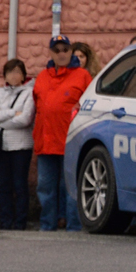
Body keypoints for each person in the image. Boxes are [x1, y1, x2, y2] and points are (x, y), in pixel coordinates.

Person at [33, 34, 93, 232]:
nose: (61, 53)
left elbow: (89, 105)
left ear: (70, 51)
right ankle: (47, 226)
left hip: (71, 141)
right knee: (45, 188)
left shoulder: (83, 76)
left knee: (71, 188)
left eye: (65, 50)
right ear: (51, 53)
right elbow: (37, 104)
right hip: (46, 141)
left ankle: (74, 227)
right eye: (57, 50)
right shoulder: (43, 76)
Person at [0, 59, 35, 230]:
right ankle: (5, 220)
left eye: (17, 72)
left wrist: (1, 119)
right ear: (5, 75)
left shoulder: (28, 93)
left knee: (20, 184)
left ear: (23, 75)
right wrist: (13, 113)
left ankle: (20, 221)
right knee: (4, 184)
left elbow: (25, 119)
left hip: (21, 146)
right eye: (10, 72)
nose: (14, 75)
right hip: (2, 146)